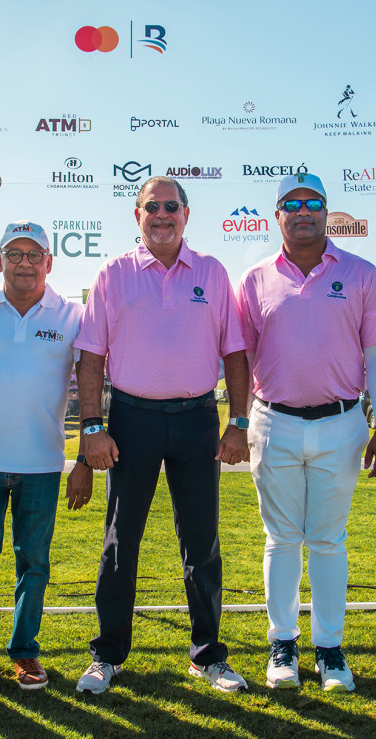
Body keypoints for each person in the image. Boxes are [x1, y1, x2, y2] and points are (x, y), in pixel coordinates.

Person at [74, 176, 250, 695]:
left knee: (202, 542)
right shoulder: (113, 273)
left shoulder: (213, 272)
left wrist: (238, 422)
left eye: (172, 206)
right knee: (120, 541)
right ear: (138, 216)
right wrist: (92, 428)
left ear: (186, 214)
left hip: (198, 420)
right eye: (152, 207)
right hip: (133, 420)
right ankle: (107, 655)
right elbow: (91, 356)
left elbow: (235, 353)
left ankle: (208, 655)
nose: (162, 215)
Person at [236, 172, 376, 693]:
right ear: (277, 215)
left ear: (326, 212)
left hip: (342, 423)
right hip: (273, 422)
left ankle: (330, 649)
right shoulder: (254, 279)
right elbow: (241, 360)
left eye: (313, 202)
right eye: (292, 203)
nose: (303, 211)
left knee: (328, 541)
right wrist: (237, 421)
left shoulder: (361, 273)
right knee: (281, 539)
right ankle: (282, 644)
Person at [0, 221, 89, 695]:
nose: (24, 263)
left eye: (34, 255)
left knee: (34, 563)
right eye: (14, 254)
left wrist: (83, 458)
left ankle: (25, 651)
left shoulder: (73, 315)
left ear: (49, 262)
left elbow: (91, 383)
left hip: (42, 464)